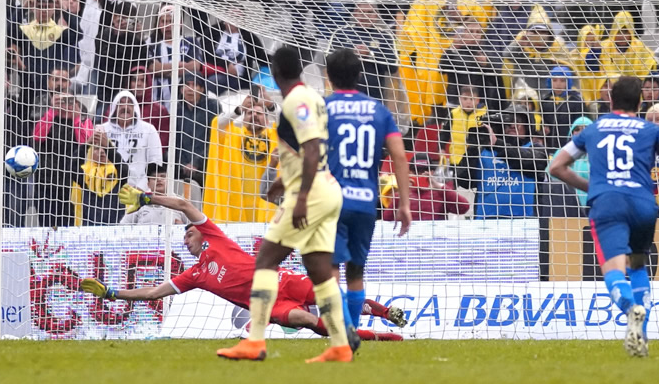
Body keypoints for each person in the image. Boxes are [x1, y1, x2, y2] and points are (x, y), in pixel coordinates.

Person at [79, 185, 404, 341]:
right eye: (183, 238)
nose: (185, 239)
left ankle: (385, 313)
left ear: (200, 234)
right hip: (267, 305)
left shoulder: (216, 237)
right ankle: (369, 337)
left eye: (188, 234)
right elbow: (152, 294)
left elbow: (182, 203)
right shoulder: (194, 275)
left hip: (282, 282)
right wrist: (111, 294)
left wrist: (148, 198)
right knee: (305, 318)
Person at [216, 46, 349, 362]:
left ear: (276, 72)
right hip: (325, 190)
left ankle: (255, 341)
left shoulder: (297, 101)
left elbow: (312, 147)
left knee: (264, 262)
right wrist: (279, 184)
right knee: (319, 270)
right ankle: (341, 345)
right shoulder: (313, 98)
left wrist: (300, 197)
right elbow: (300, 152)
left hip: (312, 193)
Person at [550, 75, 659, 357]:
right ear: (641, 101)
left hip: (609, 207)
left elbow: (557, 167)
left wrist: (593, 187)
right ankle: (641, 339)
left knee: (614, 270)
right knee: (637, 265)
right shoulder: (652, 131)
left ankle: (629, 308)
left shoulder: (592, 129)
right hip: (643, 206)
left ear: (610, 99)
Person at [324, 47, 411, 343]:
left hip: (332, 200)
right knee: (356, 272)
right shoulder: (379, 111)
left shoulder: (323, 108)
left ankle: (347, 332)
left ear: (328, 76)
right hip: (366, 202)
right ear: (359, 76)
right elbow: (400, 156)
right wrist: (405, 204)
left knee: (331, 270)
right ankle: (352, 331)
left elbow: (308, 153)